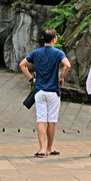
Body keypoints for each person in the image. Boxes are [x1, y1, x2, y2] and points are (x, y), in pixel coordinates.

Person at [20, 28, 70, 157]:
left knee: (41, 120)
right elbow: (67, 65)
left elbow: (22, 65)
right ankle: (49, 148)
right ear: (54, 39)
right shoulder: (58, 53)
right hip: (53, 92)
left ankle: (41, 149)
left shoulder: (37, 53)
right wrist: (61, 77)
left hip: (40, 92)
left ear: (44, 39)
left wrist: (32, 79)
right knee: (51, 121)